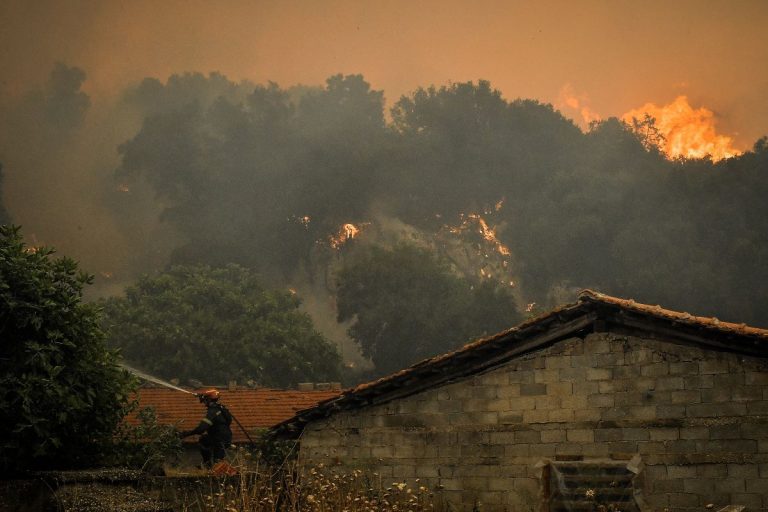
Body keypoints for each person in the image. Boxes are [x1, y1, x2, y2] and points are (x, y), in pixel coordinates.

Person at [179, 388, 233, 468]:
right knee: (206, 440)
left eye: (205, 401)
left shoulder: (212, 412)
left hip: (219, 440)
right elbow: (229, 421)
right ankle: (210, 465)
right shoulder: (221, 409)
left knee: (217, 463)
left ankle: (208, 464)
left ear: (208, 400)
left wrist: (186, 434)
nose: (204, 403)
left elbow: (201, 429)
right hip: (226, 438)